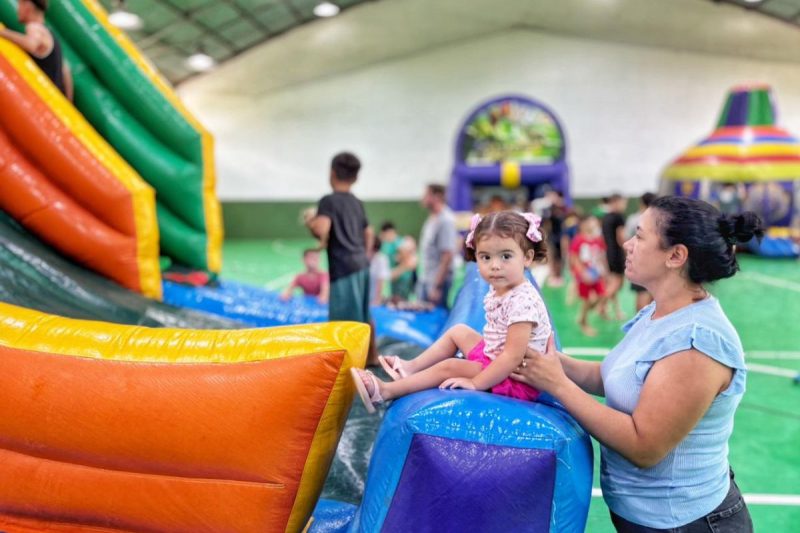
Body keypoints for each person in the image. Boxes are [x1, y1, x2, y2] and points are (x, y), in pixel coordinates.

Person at [514, 196, 760, 532]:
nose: (627, 244)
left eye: (640, 236)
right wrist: (545, 360)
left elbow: (644, 446)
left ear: (676, 256)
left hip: (687, 523)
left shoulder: (698, 342)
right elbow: (612, 376)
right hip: (646, 517)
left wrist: (557, 384)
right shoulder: (659, 312)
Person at [350, 211, 552, 413]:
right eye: (486, 257)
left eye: (506, 256)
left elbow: (512, 357)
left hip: (516, 378)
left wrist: (476, 383)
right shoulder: (502, 287)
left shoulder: (523, 301)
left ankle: (384, 392)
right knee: (459, 331)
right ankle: (410, 367)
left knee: (450, 366)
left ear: (527, 257)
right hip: (496, 358)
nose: (495, 266)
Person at [306, 152, 377, 365]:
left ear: (332, 173)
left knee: (344, 321)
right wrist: (365, 255)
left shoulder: (328, 201)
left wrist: (312, 222)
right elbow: (369, 232)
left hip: (344, 267)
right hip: (362, 264)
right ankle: (372, 356)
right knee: (364, 313)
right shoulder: (357, 202)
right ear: (355, 178)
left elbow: (322, 229)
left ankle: (347, 367)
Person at [0, 0, 72, 101]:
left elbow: (31, 44)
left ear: (28, 6)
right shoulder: (50, 35)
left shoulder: (34, 27)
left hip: (44, 100)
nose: (17, 10)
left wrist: (2, 33)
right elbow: (66, 70)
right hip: (56, 101)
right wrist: (68, 100)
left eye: (20, 4)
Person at [419, 184, 457, 308]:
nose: (423, 198)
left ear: (437, 197)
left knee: (435, 319)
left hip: (436, 281)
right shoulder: (432, 218)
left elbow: (447, 255)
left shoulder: (445, 220)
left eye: (426, 195)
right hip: (427, 278)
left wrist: (437, 287)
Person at [570, 214, 607, 336]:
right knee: (586, 300)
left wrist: (604, 270)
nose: (593, 224)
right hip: (584, 274)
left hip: (596, 273)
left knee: (602, 295)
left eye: (594, 222)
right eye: (591, 222)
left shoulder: (598, 240)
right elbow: (574, 258)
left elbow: (601, 256)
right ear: (584, 225)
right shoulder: (579, 239)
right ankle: (584, 324)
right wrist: (582, 273)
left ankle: (582, 316)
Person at [625, 192, 656, 312]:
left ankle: (641, 324)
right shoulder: (660, 220)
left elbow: (627, 237)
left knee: (642, 292)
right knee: (655, 293)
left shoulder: (634, 219)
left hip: (639, 260)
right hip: (655, 261)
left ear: (641, 203)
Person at [602, 194, 628, 319]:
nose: (624, 205)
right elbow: (620, 238)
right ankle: (601, 305)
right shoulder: (619, 217)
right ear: (616, 202)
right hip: (617, 253)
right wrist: (627, 251)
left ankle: (616, 311)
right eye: (623, 203)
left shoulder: (606, 217)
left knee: (613, 283)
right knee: (617, 283)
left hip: (608, 252)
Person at [368, 234, 390, 306]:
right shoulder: (362, 257)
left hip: (375, 297)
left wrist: (377, 300)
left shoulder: (381, 259)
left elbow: (381, 281)